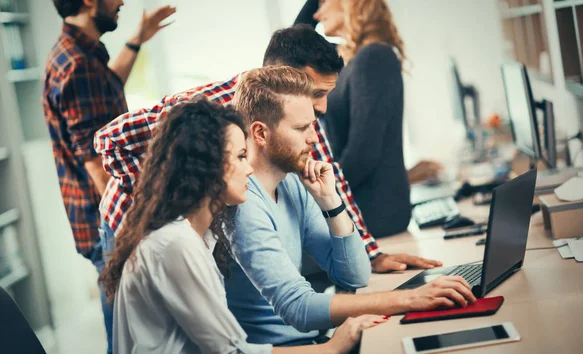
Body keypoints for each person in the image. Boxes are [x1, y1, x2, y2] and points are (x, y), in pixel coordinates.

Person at [94, 24, 442, 273]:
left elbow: (331, 176)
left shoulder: (299, 116)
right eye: (317, 94)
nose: (321, 108)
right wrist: (161, 203)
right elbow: (108, 140)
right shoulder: (212, 102)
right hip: (129, 222)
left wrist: (372, 253)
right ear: (284, 79)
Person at [100, 99, 388, 354]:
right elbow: (231, 352)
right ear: (206, 166)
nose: (249, 168)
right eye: (239, 157)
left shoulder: (200, 238)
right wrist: (330, 349)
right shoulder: (176, 244)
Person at [226, 66, 476, 346]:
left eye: (313, 125)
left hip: (315, 342)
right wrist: (409, 299)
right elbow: (299, 308)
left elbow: (355, 274)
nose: (313, 138)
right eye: (301, 128)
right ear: (260, 133)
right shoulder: (243, 203)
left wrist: (331, 202)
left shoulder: (292, 183)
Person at [42, 0, 174, 352]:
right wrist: (135, 230)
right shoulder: (77, 65)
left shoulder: (76, 54)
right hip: (111, 225)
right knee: (127, 337)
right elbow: (98, 163)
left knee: (129, 331)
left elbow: (109, 86)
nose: (121, 2)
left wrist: (137, 40)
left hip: (102, 223)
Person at [296, 0, 442, 237]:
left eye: (323, 2)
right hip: (365, 206)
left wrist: (324, 195)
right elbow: (292, 47)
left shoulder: (374, 57)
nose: (318, 12)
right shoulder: (349, 59)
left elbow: (363, 152)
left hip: (374, 214)